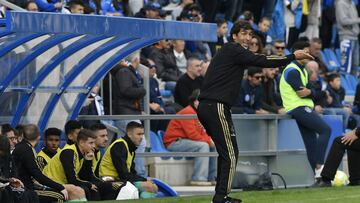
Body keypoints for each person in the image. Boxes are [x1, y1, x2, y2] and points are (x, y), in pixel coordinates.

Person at [196, 20, 313, 203]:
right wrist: (292, 56)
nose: (248, 38)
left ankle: (221, 196)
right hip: (215, 105)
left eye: (250, 35)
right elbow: (263, 60)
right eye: (243, 33)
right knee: (230, 153)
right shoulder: (233, 49)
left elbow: (257, 59)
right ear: (234, 36)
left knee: (227, 152)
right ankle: (220, 198)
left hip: (213, 106)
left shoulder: (233, 52)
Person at [279, 41, 331, 180]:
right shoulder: (292, 70)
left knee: (311, 142)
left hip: (303, 107)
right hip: (298, 108)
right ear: (297, 53)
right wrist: (311, 92)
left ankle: (316, 176)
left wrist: (311, 92)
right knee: (326, 130)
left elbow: (312, 90)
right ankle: (320, 167)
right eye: (306, 52)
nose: (309, 55)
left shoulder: (302, 70)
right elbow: (302, 93)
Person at [12, 124, 86, 202]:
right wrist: (59, 187)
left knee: (77, 190)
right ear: (39, 137)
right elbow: (37, 175)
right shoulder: (28, 150)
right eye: (51, 140)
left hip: (31, 186)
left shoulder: (24, 148)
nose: (54, 143)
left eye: (57, 140)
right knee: (59, 196)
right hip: (26, 189)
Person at [164, 89, 216, 186]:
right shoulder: (188, 112)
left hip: (185, 141)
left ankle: (212, 178)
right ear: (195, 101)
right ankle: (198, 179)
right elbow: (192, 134)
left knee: (214, 145)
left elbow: (202, 133)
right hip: (174, 142)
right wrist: (208, 141)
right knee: (203, 146)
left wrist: (210, 141)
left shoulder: (199, 113)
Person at [43, 129, 107, 200]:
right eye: (91, 143)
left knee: (101, 186)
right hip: (50, 184)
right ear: (82, 143)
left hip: (62, 184)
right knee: (87, 189)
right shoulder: (69, 152)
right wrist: (89, 184)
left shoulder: (82, 153)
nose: (94, 146)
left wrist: (88, 161)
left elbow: (85, 176)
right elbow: (72, 179)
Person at [99, 122, 158, 199]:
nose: (141, 137)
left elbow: (132, 172)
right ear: (129, 134)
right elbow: (123, 174)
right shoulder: (119, 145)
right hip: (109, 180)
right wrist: (144, 179)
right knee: (149, 187)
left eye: (142, 134)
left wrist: (144, 179)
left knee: (154, 187)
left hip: (119, 179)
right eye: (138, 134)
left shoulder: (130, 148)